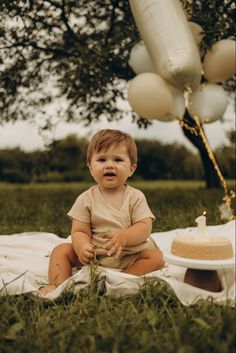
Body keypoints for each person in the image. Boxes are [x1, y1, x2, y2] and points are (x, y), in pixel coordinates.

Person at [41, 129, 164, 295]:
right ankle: (57, 285)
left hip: (129, 255)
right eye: (101, 159)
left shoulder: (135, 197)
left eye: (118, 159)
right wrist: (82, 247)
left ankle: (123, 279)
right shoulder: (86, 199)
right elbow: (79, 231)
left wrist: (125, 237)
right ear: (91, 168)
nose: (109, 165)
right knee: (61, 250)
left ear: (132, 169)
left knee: (157, 257)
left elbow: (144, 227)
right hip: (96, 256)